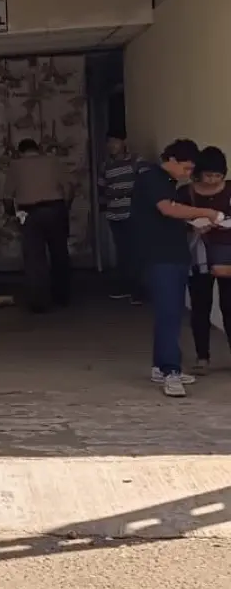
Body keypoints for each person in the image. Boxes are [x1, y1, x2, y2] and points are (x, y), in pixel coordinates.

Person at [131, 138, 224, 397]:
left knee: (169, 313)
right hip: (159, 256)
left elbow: (169, 218)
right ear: (171, 160)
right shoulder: (152, 178)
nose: (187, 174)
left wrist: (195, 224)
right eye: (185, 168)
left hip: (173, 254)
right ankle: (171, 372)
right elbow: (167, 209)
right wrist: (205, 211)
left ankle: (161, 367)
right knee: (169, 314)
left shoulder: (169, 182)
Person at [178, 146, 231, 375]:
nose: (212, 180)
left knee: (230, 306)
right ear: (198, 173)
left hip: (228, 253)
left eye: (218, 176)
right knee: (200, 306)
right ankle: (202, 357)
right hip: (198, 254)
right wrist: (193, 227)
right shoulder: (185, 193)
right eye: (208, 175)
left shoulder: (229, 190)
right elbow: (175, 218)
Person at [3, 139, 73, 313]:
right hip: (55, 209)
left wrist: (13, 214)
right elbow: (70, 188)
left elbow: (7, 197)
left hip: (30, 213)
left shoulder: (15, 166)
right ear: (38, 149)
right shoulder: (53, 161)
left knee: (35, 259)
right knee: (59, 253)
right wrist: (65, 207)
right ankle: (62, 296)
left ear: (21, 152)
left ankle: (39, 302)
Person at [97, 133, 150, 303]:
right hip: (114, 214)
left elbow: (146, 182)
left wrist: (129, 194)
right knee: (123, 252)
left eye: (115, 142)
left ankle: (138, 291)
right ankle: (126, 287)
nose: (112, 145)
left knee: (135, 251)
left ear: (123, 142)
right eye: (109, 142)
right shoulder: (106, 165)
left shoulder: (136, 160)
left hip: (133, 213)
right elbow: (102, 189)